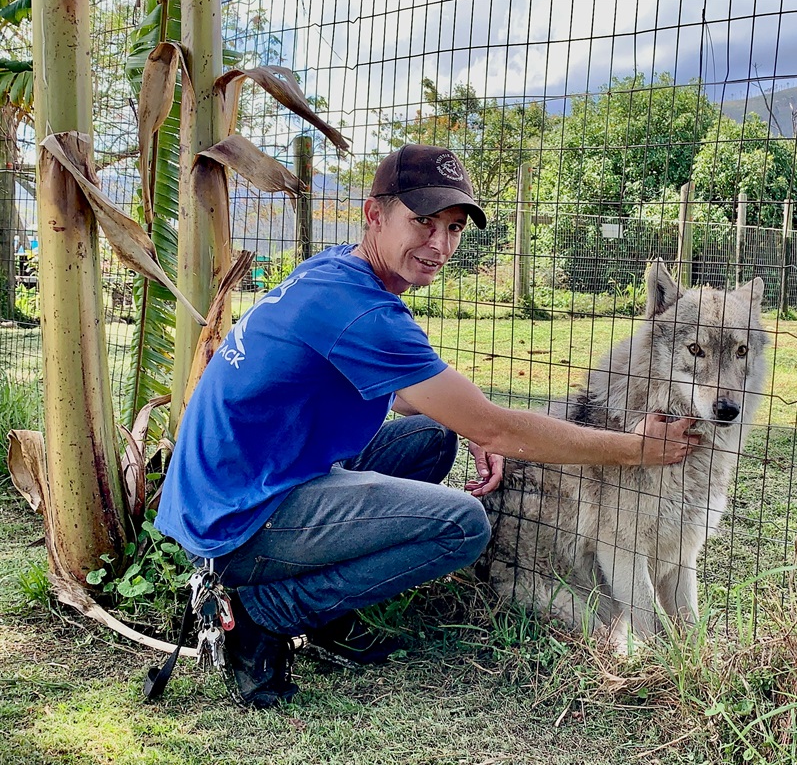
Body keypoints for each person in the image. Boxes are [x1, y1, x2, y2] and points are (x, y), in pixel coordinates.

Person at [156, 143, 699, 708]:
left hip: (229, 487)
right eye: (422, 222)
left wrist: (467, 426)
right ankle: (261, 613)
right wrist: (637, 448)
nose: (439, 245)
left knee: (432, 437)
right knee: (463, 526)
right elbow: (503, 430)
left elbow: (410, 400)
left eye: (454, 228)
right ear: (374, 214)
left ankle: (323, 607)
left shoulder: (337, 272)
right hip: (235, 522)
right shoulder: (364, 312)